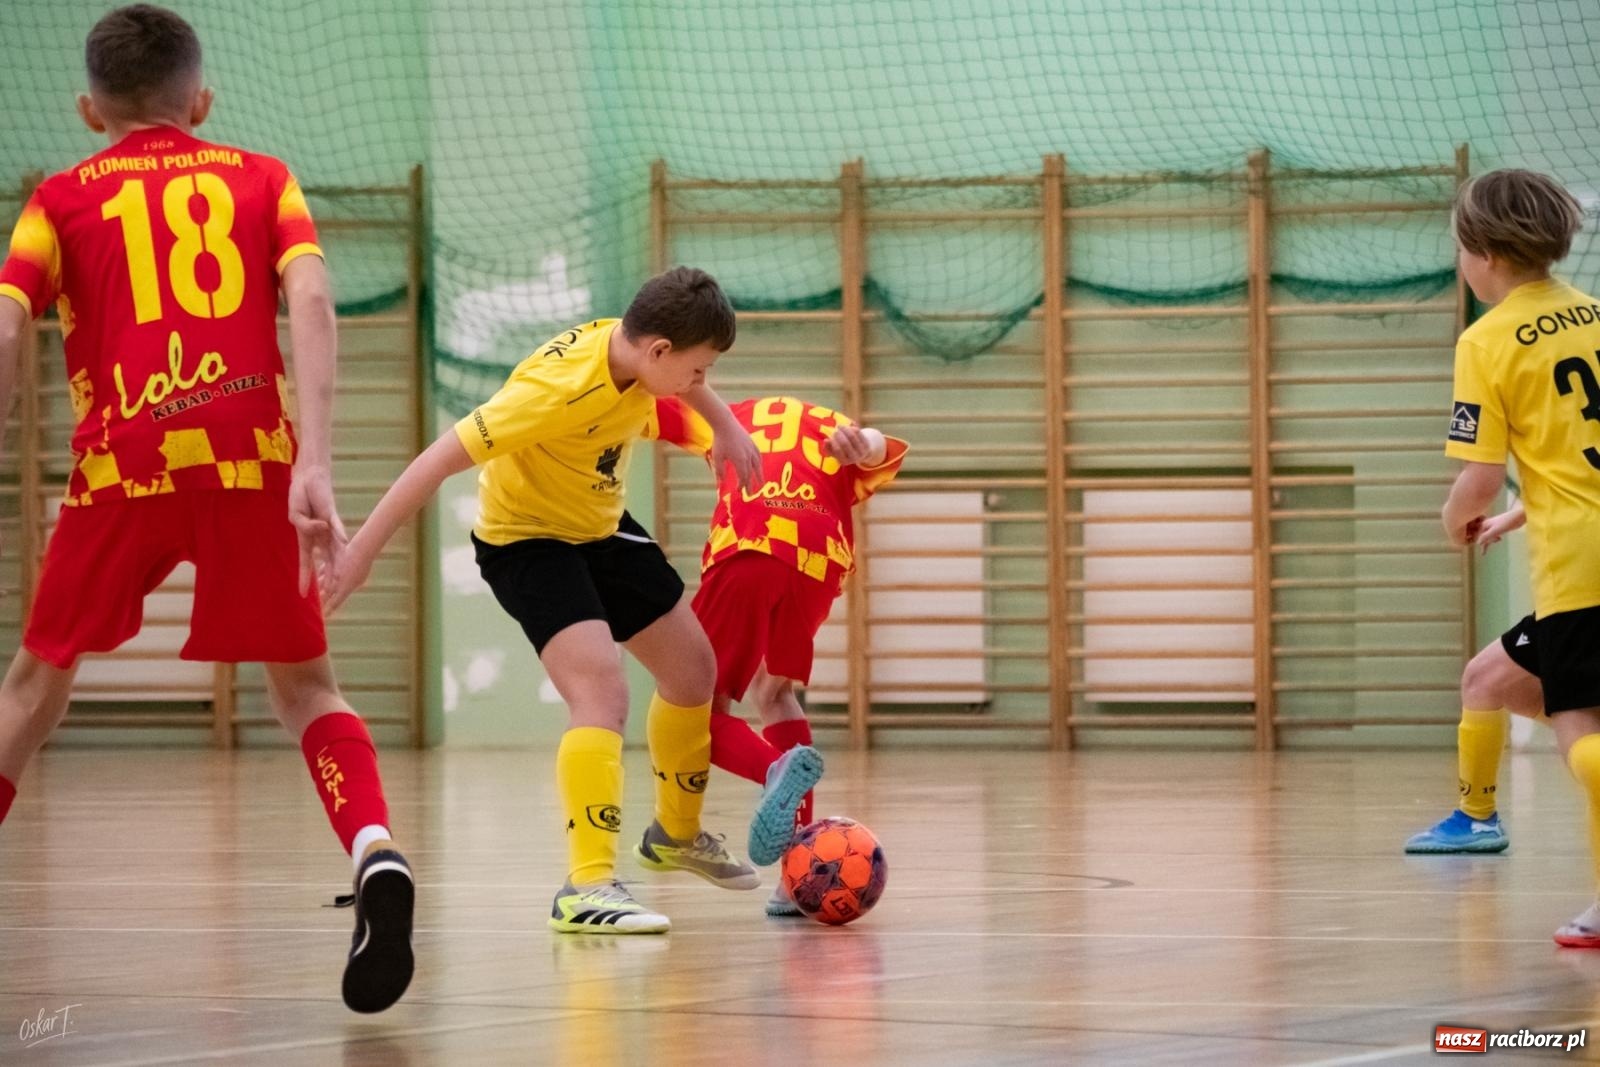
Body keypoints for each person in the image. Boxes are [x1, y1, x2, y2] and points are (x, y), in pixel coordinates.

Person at [0, 5, 413, 1011]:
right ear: (204, 100)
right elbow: (311, 302)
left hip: (122, 465)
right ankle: (374, 849)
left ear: (90, 109)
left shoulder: (55, 198)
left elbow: (8, 333)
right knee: (307, 686)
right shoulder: (264, 177)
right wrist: (312, 457)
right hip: (249, 463)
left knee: (32, 685)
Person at [323, 267, 764, 934]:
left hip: (598, 525)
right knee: (602, 692)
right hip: (527, 540)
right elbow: (434, 462)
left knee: (692, 670)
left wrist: (723, 426)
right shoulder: (552, 393)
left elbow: (689, 384)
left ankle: (675, 833)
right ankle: (586, 886)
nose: (700, 385)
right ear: (659, 353)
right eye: (697, 371)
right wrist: (358, 556)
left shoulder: (636, 353)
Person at [651, 394, 907, 915]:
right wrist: (867, 442)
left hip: (751, 544)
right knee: (775, 691)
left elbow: (643, 408)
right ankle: (796, 877)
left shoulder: (724, 416)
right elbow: (879, 448)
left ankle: (774, 768)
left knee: (695, 711)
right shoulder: (830, 424)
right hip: (818, 563)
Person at [1439, 168, 1600, 946]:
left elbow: (1474, 473)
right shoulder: (1598, 315)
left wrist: (1459, 518)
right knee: (1518, 687)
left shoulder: (1487, 340)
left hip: (1583, 565)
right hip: (1575, 529)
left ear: (1484, 255)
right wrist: (1519, 510)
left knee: (1583, 734)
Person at [1405, 501, 1540, 853]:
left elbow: (1480, 480)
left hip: (1580, 601)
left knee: (1482, 680)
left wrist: (1454, 520)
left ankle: (1477, 817)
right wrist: (1507, 520)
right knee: (1513, 691)